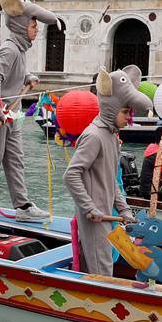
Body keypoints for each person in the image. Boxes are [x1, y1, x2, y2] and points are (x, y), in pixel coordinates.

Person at [0, 0, 58, 220]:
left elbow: (12, 74)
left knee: (16, 158)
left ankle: (23, 206)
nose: (36, 29)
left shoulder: (19, 49)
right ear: (20, 26)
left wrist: (26, 76)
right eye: (33, 25)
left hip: (12, 113)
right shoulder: (9, 49)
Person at [64, 66, 153, 277]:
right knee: (101, 271)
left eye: (130, 112)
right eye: (125, 112)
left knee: (105, 265)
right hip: (96, 218)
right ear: (111, 108)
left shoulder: (112, 136)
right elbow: (71, 175)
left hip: (107, 215)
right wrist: (89, 208)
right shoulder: (94, 136)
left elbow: (111, 179)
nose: (129, 118)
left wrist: (124, 210)